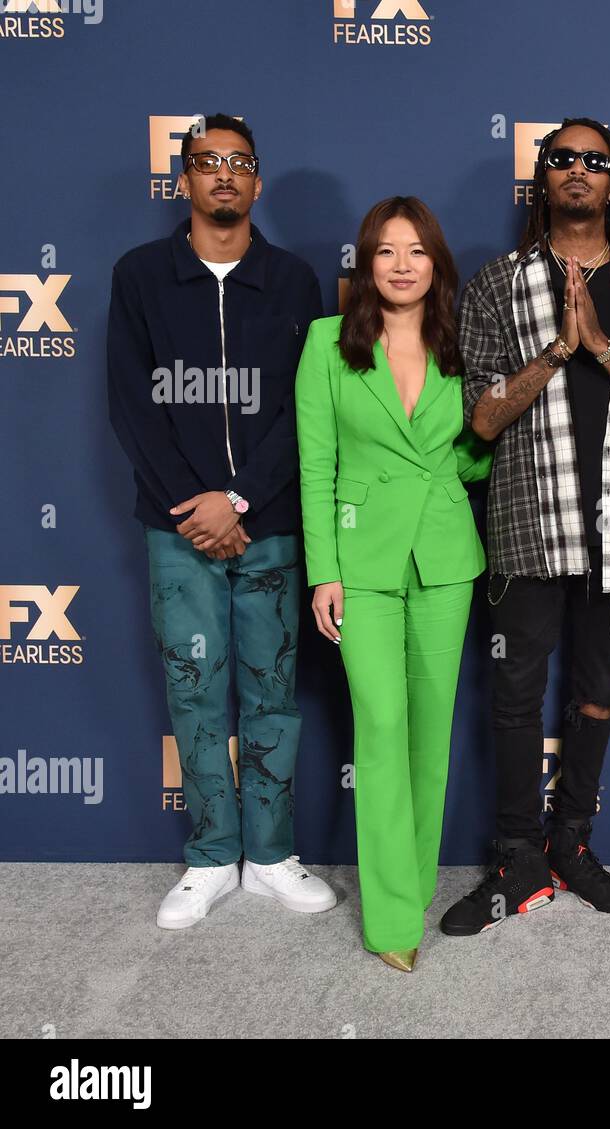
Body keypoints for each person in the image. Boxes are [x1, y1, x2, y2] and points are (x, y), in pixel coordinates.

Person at [442, 117, 610, 936]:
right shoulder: (495, 284)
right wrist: (559, 350)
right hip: (528, 522)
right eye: (563, 159)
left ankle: (573, 843)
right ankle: (516, 856)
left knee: (596, 695)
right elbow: (480, 419)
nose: (579, 171)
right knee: (516, 694)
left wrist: (605, 348)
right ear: (542, 179)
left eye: (596, 161)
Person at [107, 113, 335, 929]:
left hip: (268, 521)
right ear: (184, 180)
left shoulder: (294, 280)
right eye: (208, 162)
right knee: (194, 689)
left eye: (240, 162)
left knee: (272, 692)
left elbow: (304, 412)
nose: (225, 175)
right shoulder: (140, 275)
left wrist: (237, 499)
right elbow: (133, 406)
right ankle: (210, 854)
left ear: (257, 181)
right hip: (177, 529)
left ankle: (269, 852)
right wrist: (197, 505)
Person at [296, 197, 492, 972]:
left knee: (429, 736)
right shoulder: (325, 344)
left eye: (416, 250)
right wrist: (324, 571)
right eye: (386, 250)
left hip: (445, 559)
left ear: (436, 263)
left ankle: (411, 887)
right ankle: (390, 919)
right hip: (363, 562)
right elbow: (316, 465)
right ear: (365, 263)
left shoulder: (462, 347)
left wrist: (452, 474)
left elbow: (476, 449)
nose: (402, 264)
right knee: (379, 726)